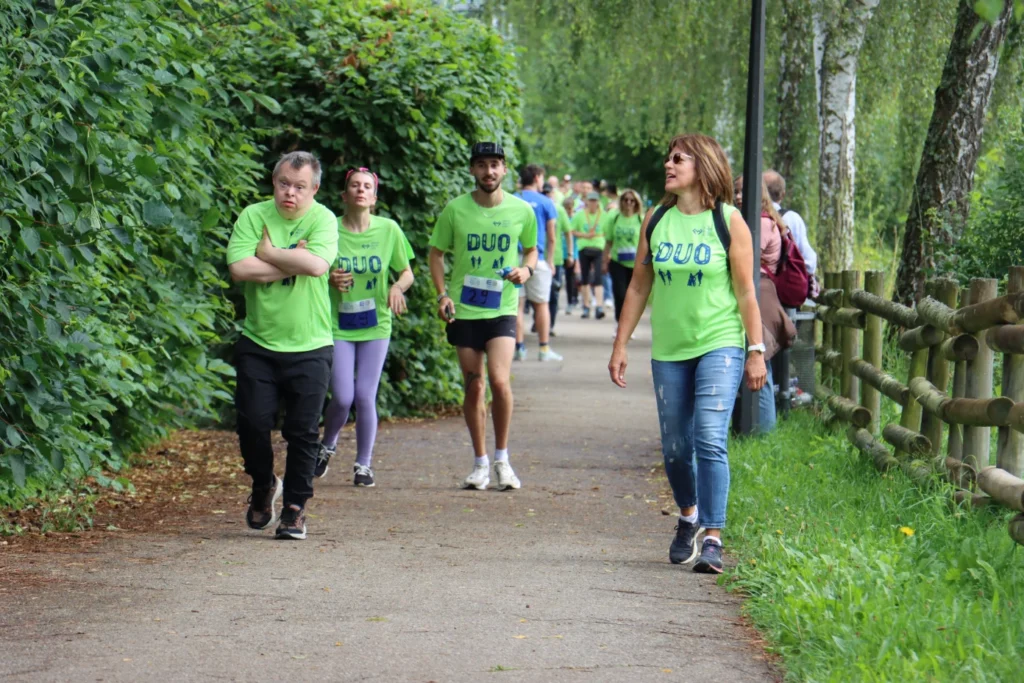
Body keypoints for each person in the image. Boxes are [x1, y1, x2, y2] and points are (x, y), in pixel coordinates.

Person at [608, 133, 767, 573]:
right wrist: (621, 344)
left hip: (720, 343)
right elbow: (639, 286)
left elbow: (746, 292)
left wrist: (756, 350)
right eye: (668, 158)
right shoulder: (656, 220)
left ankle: (713, 537)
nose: (668, 164)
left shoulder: (729, 221)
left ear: (704, 166)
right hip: (670, 350)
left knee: (709, 437)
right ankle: (689, 515)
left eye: (679, 158)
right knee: (676, 447)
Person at [226, 151, 338, 541]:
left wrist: (270, 254)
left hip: (311, 343)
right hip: (259, 341)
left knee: (303, 431)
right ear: (274, 183)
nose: (290, 193)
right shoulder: (253, 216)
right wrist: (296, 258)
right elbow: (239, 269)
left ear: (315, 189)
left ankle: (294, 508)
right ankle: (262, 484)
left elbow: (318, 266)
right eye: (283, 184)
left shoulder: (324, 218)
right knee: (253, 423)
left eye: (299, 187)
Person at [428, 142, 536, 491]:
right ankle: (480, 464)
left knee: (500, 381)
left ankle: (503, 459)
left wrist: (526, 270)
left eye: (495, 165)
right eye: (482, 165)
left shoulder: (521, 210)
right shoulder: (455, 210)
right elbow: (435, 253)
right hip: (465, 309)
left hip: (502, 307)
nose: (489, 171)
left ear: (504, 169)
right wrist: (442, 294)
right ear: (473, 171)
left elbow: (532, 249)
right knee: (474, 384)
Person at [314, 168, 414, 487]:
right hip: (338, 323)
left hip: (376, 323)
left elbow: (407, 272)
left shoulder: (389, 230)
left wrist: (397, 287)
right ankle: (327, 445)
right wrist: (328, 276)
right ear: (344, 196)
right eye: (354, 186)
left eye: (367, 186)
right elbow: (313, 266)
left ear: (374, 198)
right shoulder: (330, 229)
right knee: (342, 397)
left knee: (365, 395)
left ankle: (364, 464)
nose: (360, 190)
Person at [514, 165, 561, 362]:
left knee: (516, 305)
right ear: (536, 178)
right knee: (542, 305)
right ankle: (543, 349)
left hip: (514, 259)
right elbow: (551, 236)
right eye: (542, 178)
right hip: (537, 259)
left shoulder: (512, 199)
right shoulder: (546, 202)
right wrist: (550, 261)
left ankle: (519, 348)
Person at [763, 169, 817, 282]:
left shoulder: (753, 217)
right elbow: (809, 261)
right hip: (785, 285)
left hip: (761, 284)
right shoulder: (792, 218)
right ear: (783, 194)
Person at [601, 188, 643, 329]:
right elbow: (609, 241)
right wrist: (604, 261)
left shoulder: (640, 219)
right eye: (626, 200)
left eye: (632, 200)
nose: (629, 203)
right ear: (622, 202)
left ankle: (629, 326)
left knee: (632, 297)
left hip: (635, 264)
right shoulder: (615, 218)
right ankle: (619, 324)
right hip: (617, 262)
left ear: (636, 203)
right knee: (620, 294)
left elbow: (647, 243)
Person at [545, 184, 575, 335]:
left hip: (555, 259)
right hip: (536, 257)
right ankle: (541, 321)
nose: (547, 195)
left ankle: (549, 324)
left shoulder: (560, 210)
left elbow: (568, 233)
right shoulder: (532, 207)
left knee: (553, 293)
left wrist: (570, 254)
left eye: (549, 193)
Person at [571, 192, 606, 319]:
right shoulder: (580, 215)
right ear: (587, 201)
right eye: (590, 200)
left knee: (598, 278)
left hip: (598, 248)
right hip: (584, 248)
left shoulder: (603, 215)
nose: (593, 203)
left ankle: (599, 306)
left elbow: (608, 233)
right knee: (584, 278)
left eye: (595, 201)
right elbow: (572, 230)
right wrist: (585, 236)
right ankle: (586, 306)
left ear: (598, 202)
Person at [561, 197, 580, 315]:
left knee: (570, 279)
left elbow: (576, 241)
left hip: (571, 253)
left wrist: (574, 257)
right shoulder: (561, 218)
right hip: (560, 252)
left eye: (570, 209)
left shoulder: (574, 219)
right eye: (566, 209)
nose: (568, 211)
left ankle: (571, 301)